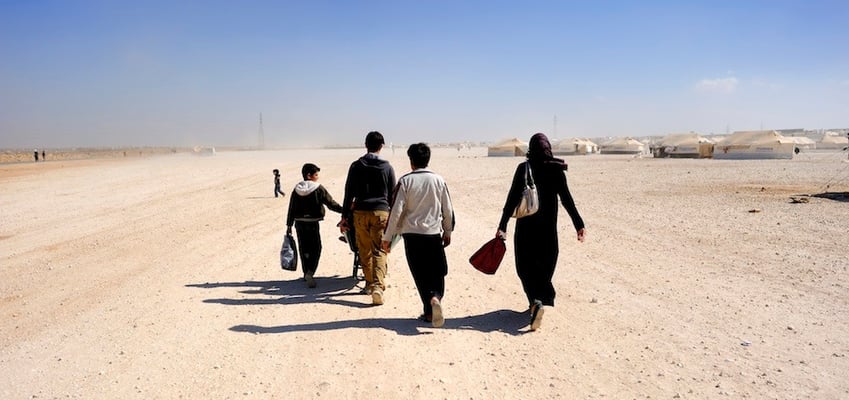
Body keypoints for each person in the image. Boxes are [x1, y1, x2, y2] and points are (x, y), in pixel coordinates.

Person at [496, 133, 586, 331]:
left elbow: (511, 200)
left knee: (525, 267)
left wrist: (503, 225)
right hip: (548, 231)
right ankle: (541, 299)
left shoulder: (524, 168)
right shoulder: (556, 170)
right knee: (545, 265)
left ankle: (534, 301)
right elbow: (567, 200)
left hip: (526, 229)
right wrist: (579, 224)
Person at [382, 143, 454, 328]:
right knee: (437, 271)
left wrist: (387, 238)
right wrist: (447, 231)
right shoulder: (439, 180)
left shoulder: (406, 181)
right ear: (428, 159)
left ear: (411, 161)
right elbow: (448, 209)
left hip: (412, 236)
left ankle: (429, 309)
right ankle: (435, 298)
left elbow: (395, 211)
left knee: (420, 273)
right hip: (432, 234)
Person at [340, 131, 396, 305]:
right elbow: (392, 195)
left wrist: (344, 217)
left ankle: (369, 283)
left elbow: (348, 193)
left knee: (364, 250)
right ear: (381, 146)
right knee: (380, 250)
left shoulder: (356, 166)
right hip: (381, 213)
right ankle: (378, 286)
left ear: (366, 145)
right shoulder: (387, 167)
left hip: (360, 213)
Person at [286, 163, 343, 288]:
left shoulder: (297, 189)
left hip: (299, 223)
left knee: (303, 248)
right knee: (316, 247)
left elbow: (292, 208)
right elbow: (331, 203)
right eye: (316, 175)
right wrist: (345, 211)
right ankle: (311, 272)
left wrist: (289, 225)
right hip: (312, 223)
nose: (317, 177)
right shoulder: (318, 188)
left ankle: (306, 272)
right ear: (309, 175)